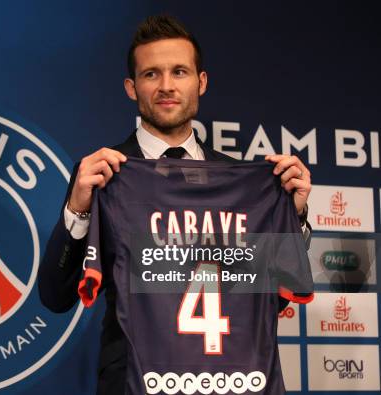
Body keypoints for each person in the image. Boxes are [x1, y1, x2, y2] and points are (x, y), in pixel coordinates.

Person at [38, 15, 312, 395]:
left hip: (233, 380)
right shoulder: (103, 174)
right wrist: (79, 210)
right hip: (137, 384)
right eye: (151, 74)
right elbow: (55, 296)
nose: (166, 86)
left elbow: (273, 281)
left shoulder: (242, 180)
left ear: (201, 82)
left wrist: (292, 214)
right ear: (132, 88)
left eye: (179, 72)